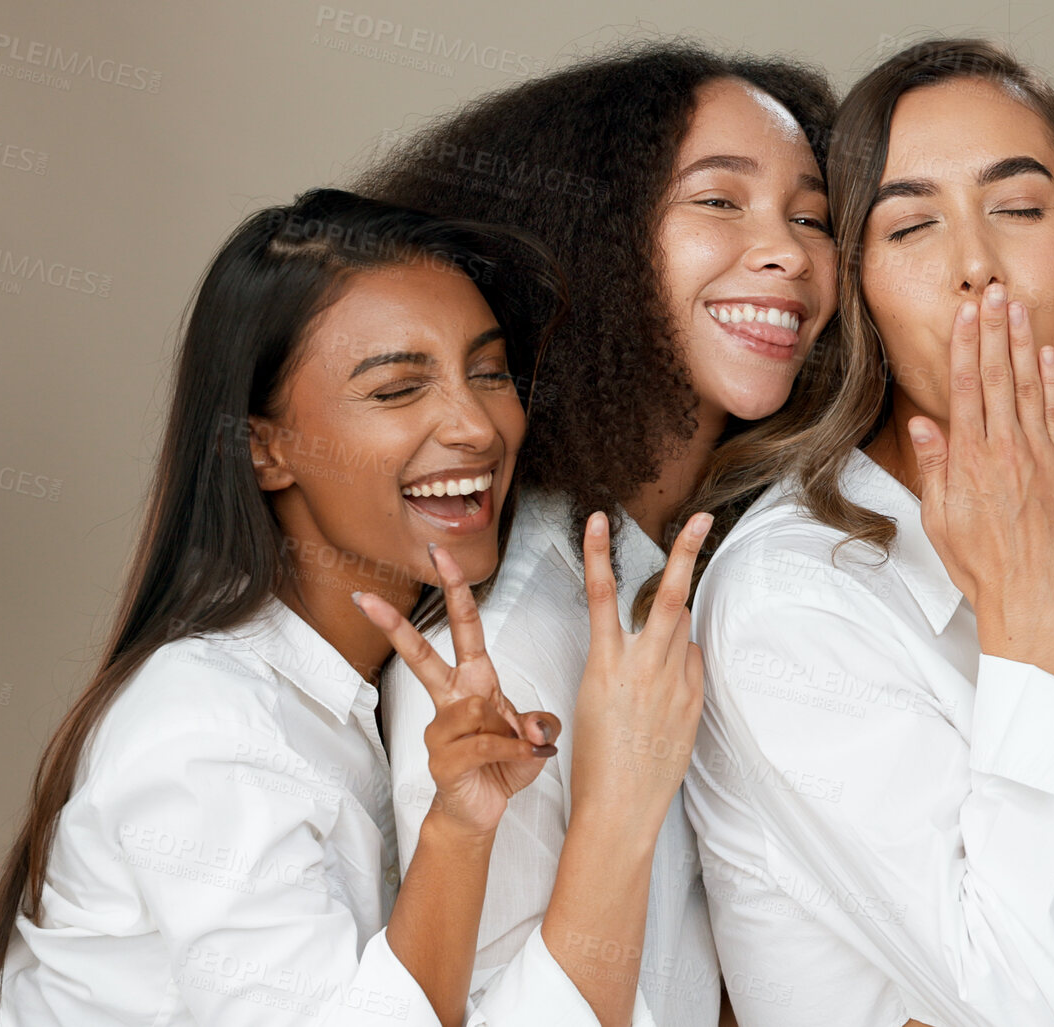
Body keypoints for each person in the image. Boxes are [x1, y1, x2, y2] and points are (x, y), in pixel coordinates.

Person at [0, 189, 564, 1026]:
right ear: (264, 447)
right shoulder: (211, 728)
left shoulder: (364, 688)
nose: (475, 424)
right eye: (399, 388)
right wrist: (458, 832)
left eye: (488, 371)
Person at [679, 39, 1054, 1027]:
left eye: (1022, 209)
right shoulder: (793, 597)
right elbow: (1043, 1008)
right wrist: (1024, 606)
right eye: (911, 227)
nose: (978, 269)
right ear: (856, 284)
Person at [358, 44, 839, 1026]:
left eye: (811, 217)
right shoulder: (512, 638)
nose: (787, 249)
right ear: (598, 237)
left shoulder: (716, 574)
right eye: (720, 201)